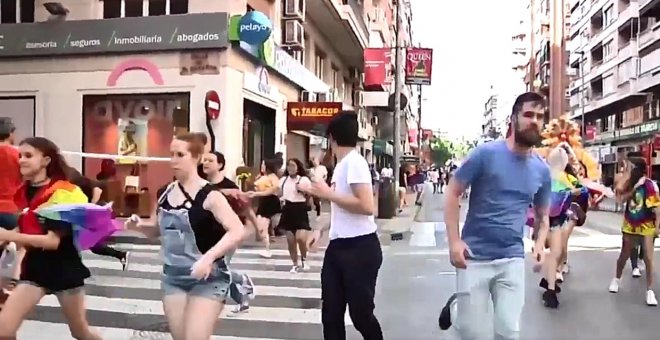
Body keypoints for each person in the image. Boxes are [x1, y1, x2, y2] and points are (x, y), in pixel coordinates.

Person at [443, 92, 550, 339]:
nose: (535, 121)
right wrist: (454, 242)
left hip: (511, 259)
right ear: (513, 119)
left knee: (509, 332)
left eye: (540, 117)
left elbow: (543, 215)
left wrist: (539, 243)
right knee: (471, 333)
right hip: (474, 259)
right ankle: (461, 309)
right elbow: (453, 192)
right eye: (528, 115)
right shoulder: (485, 154)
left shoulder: (541, 170)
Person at [126, 133, 245, 339]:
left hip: (208, 278)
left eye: (180, 154)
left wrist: (207, 258)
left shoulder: (210, 195)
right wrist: (139, 226)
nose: (173, 160)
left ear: (196, 158)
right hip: (173, 277)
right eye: (171, 154)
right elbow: (156, 230)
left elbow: (237, 230)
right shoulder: (164, 193)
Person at [0, 137, 101, 339]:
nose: (21, 160)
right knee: (4, 331)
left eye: (28, 156)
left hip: (64, 271)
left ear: (46, 160)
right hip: (34, 270)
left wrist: (8, 235)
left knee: (81, 332)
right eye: (20, 156)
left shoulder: (61, 193)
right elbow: (27, 227)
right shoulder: (25, 190)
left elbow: (52, 241)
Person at [300, 111, 383, 340]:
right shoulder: (341, 166)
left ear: (332, 138)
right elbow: (341, 208)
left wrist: (327, 193)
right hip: (338, 247)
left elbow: (367, 206)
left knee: (360, 314)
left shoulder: (355, 163)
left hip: (360, 247)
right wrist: (320, 229)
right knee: (331, 314)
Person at [200, 150, 257, 313]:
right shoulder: (201, 185)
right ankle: (242, 300)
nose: (205, 163)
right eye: (204, 160)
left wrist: (257, 227)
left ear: (220, 165)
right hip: (205, 234)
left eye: (210, 160)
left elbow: (246, 208)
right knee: (220, 270)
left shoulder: (230, 186)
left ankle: (242, 279)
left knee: (217, 269)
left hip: (227, 234)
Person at [609, 157, 659, 306]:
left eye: (629, 167)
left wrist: (657, 228)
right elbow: (619, 201)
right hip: (630, 224)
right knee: (624, 254)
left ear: (636, 168)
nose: (627, 169)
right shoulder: (627, 184)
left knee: (649, 258)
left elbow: (657, 209)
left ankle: (650, 291)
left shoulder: (650, 185)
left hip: (646, 225)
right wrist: (634, 188)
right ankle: (616, 279)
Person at [69, 169, 130, 270]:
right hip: (88, 216)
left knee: (83, 243)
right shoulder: (79, 185)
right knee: (90, 245)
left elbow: (97, 191)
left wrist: (91, 205)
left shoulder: (81, 184)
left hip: (89, 217)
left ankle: (75, 268)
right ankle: (121, 255)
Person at [273, 158, 313, 273]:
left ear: (298, 167)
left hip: (300, 209)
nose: (291, 168)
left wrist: (303, 190)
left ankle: (304, 259)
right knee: (291, 241)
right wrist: (280, 198)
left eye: (293, 166)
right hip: (288, 209)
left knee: (300, 238)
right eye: (289, 166)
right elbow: (278, 192)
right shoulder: (283, 180)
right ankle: (294, 264)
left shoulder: (303, 179)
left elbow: (310, 193)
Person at [0, 119, 21, 303]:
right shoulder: (18, 155)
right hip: (10, 208)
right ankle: (14, 281)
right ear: (11, 133)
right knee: (25, 243)